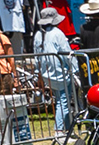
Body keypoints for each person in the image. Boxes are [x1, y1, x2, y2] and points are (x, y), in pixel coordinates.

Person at [35, 7, 75, 137]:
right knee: (63, 101)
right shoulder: (57, 33)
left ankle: (69, 129)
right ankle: (59, 130)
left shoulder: (38, 34)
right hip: (59, 73)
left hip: (47, 73)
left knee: (61, 100)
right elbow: (66, 53)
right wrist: (75, 69)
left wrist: (38, 73)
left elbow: (36, 56)